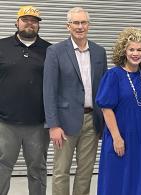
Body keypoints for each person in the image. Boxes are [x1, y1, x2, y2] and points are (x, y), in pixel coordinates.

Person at [43, 7, 107, 195]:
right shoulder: (55, 51)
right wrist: (53, 125)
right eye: (76, 23)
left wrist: (103, 122)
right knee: (61, 171)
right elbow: (49, 90)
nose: (80, 27)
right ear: (68, 26)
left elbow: (103, 89)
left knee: (85, 172)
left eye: (83, 22)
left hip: (91, 121)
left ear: (89, 25)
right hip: (64, 122)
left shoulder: (98, 52)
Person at [96, 27, 141, 195]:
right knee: (116, 179)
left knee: (138, 179)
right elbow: (106, 108)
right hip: (119, 136)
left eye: (139, 49)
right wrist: (116, 137)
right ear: (124, 51)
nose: (135, 53)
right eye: (131, 49)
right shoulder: (113, 75)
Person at [0, 5, 51, 195]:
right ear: (17, 22)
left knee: (37, 169)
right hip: (5, 122)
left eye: (34, 21)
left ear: (38, 25)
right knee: (2, 168)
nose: (30, 23)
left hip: (38, 123)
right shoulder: (2, 46)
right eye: (25, 19)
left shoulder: (50, 50)